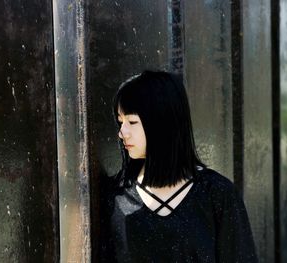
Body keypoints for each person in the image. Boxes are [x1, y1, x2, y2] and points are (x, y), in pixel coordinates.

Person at [100, 70, 258, 262]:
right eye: (120, 121)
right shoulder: (116, 197)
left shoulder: (217, 194)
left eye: (132, 121)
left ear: (162, 121)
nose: (122, 132)